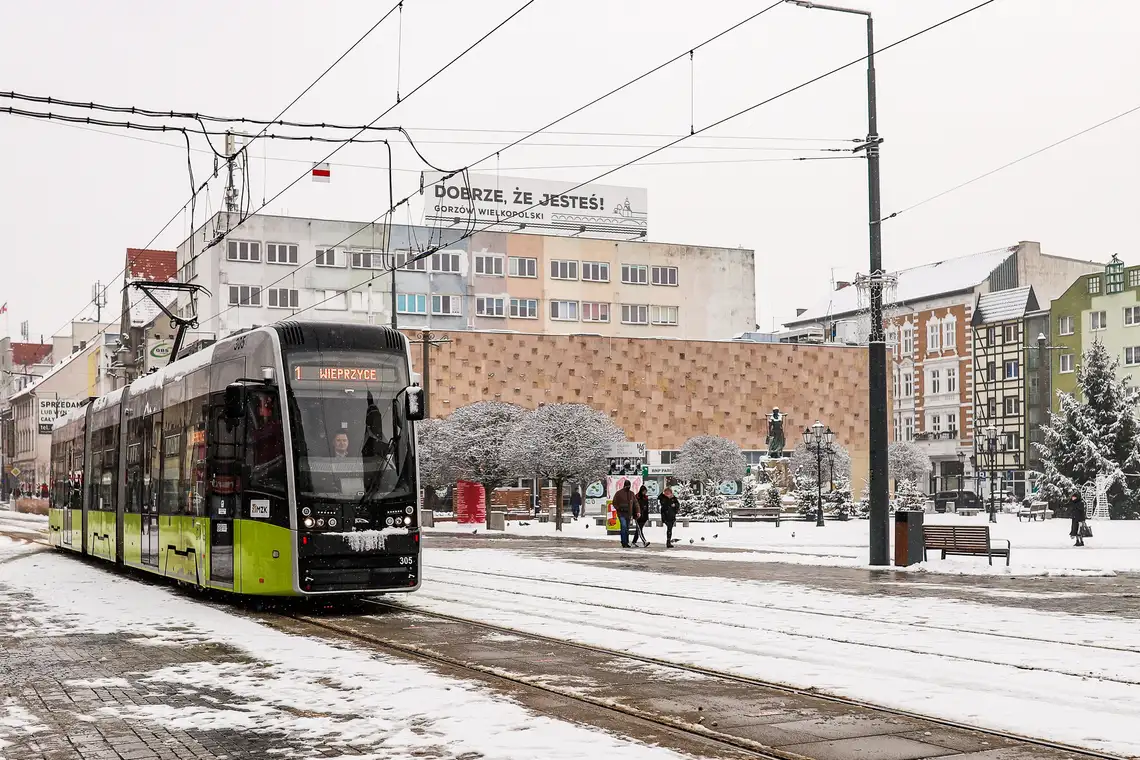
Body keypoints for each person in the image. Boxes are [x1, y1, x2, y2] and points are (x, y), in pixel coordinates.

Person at [612, 480, 635, 548]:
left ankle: (626, 542)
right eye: (627, 486)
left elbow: (635, 503)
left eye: (629, 486)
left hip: (628, 513)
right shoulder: (619, 493)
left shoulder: (631, 494)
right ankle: (624, 542)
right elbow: (614, 502)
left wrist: (637, 511)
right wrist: (619, 508)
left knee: (626, 528)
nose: (628, 487)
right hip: (621, 513)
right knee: (624, 526)